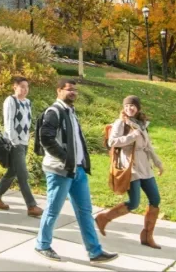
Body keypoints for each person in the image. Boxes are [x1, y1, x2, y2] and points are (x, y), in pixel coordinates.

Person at [34, 79, 118, 264]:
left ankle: (95, 251)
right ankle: (42, 244)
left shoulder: (71, 112)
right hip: (60, 171)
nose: (73, 92)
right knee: (53, 210)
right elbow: (45, 138)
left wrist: (78, 162)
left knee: (85, 211)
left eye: (75, 90)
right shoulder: (54, 112)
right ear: (58, 91)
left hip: (77, 171)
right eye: (69, 89)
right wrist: (65, 157)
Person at [95, 96, 164, 249]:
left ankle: (147, 235)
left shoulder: (142, 123)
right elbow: (112, 142)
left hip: (145, 166)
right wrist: (131, 137)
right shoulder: (121, 123)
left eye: (132, 106)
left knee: (155, 199)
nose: (129, 109)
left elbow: (148, 146)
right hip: (130, 167)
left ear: (138, 108)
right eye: (127, 106)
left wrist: (158, 163)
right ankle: (104, 218)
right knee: (134, 203)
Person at [0, 76, 43, 218]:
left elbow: (27, 122)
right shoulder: (10, 101)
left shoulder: (27, 102)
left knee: (13, 171)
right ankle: (31, 206)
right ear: (15, 87)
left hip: (24, 142)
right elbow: (9, 123)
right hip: (15, 143)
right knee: (22, 174)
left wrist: (27, 139)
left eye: (27, 87)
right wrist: (14, 142)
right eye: (22, 87)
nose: (25, 90)